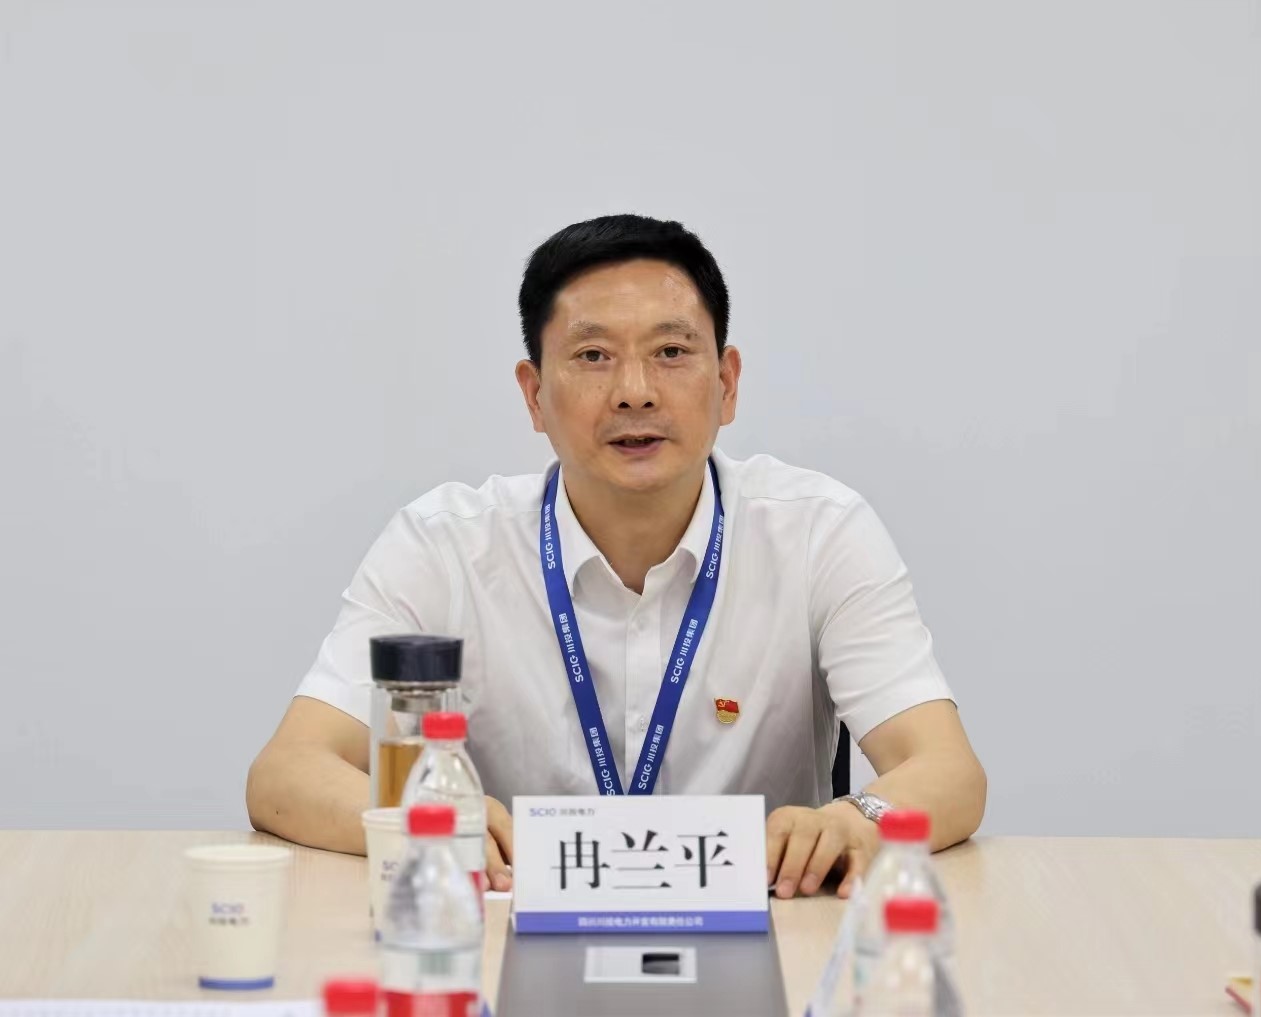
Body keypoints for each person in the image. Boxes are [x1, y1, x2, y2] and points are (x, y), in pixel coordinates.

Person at [246, 214, 986, 899]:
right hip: (506, 937)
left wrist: (862, 817)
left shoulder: (819, 532)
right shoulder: (444, 546)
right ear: (534, 396)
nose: (635, 392)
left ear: (727, 384)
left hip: (773, 932)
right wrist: (422, 821)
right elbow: (286, 773)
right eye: (593, 356)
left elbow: (948, 769)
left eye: (671, 353)